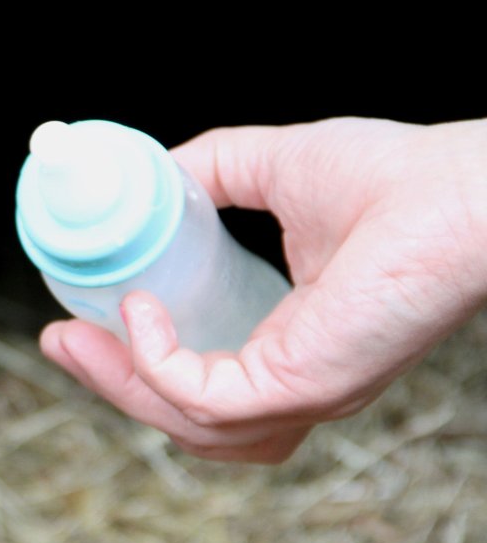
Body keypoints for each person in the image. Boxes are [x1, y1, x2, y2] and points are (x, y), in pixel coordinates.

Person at [39, 116, 487, 463]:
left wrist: (456, 191)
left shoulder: (174, 194)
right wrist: (455, 184)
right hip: (249, 328)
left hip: (249, 320)